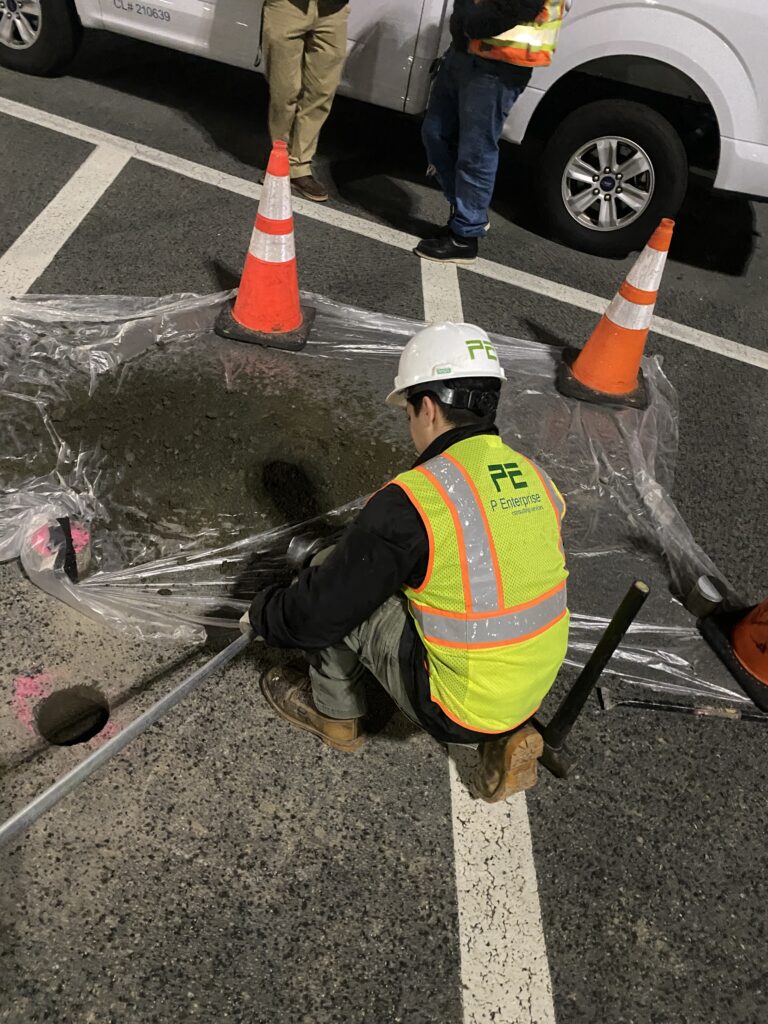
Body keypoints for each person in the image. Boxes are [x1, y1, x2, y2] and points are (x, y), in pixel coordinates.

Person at [241, 322, 569, 801]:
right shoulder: (535, 477)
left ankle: (335, 717)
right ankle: (504, 733)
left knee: (328, 572)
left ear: (428, 408)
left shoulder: (418, 499)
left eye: (410, 411)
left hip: (456, 706)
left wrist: (265, 613)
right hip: (532, 685)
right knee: (407, 574)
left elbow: (320, 611)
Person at [416, 0, 568, 264]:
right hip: (465, 50)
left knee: (475, 151)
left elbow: (521, 6)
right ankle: (468, 215)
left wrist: (470, 23)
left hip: (500, 63)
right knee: (434, 132)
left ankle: (465, 236)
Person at [262, 0, 350, 203]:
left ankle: (299, 166)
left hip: (334, 10)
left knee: (321, 92)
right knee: (284, 91)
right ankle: (279, 161)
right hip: (288, 6)